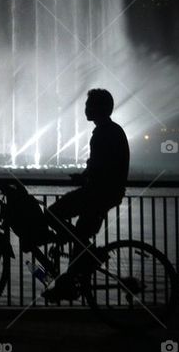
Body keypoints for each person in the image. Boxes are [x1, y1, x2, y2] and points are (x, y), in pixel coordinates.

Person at [43, 88, 129, 302]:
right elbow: (103, 164)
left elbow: (100, 166)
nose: (85, 110)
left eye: (88, 105)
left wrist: (84, 178)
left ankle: (85, 258)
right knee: (80, 236)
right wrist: (85, 175)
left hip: (99, 193)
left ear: (98, 108)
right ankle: (71, 278)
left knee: (53, 213)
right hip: (107, 193)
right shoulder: (112, 130)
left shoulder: (102, 133)